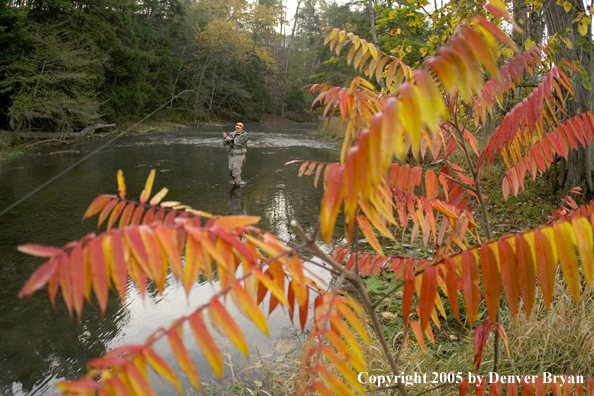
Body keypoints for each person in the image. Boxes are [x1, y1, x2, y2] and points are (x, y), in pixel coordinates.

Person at [223, 122, 249, 187]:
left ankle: (238, 187)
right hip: (231, 155)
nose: (237, 129)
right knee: (231, 172)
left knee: (236, 173)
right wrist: (225, 139)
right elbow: (225, 142)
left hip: (239, 156)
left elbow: (239, 143)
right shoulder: (232, 134)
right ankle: (236, 183)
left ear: (242, 129)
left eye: (239, 128)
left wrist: (230, 139)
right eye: (237, 128)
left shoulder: (244, 135)